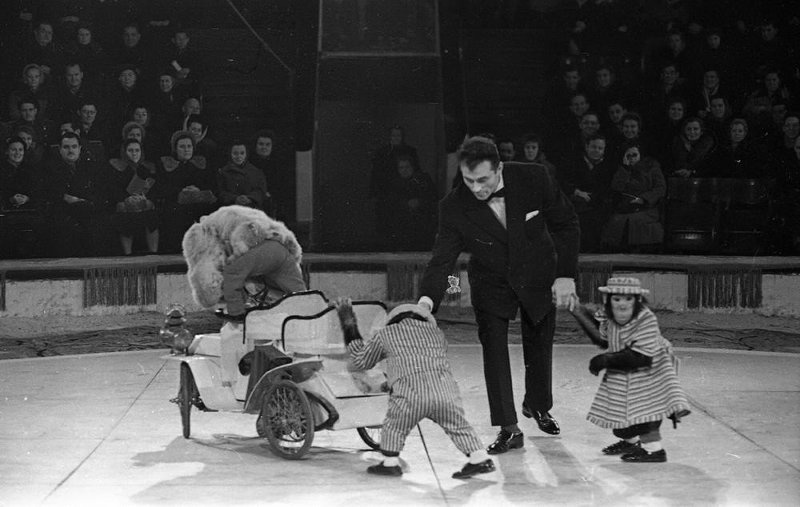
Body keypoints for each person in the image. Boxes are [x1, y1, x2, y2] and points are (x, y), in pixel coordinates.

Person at [417, 136, 580, 454]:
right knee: (494, 350)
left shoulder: (534, 177)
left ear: (499, 167)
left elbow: (567, 223)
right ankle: (509, 428)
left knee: (539, 343)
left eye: (483, 180)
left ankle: (538, 405)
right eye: (468, 179)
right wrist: (425, 302)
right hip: (491, 280)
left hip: (537, 272)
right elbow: (442, 260)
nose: (476, 188)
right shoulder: (453, 207)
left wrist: (565, 276)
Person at [334, 299, 495, 479]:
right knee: (458, 424)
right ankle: (479, 458)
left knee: (394, 425)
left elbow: (360, 360)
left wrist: (349, 323)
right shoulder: (437, 333)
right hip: (445, 390)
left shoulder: (386, 333)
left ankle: (390, 463)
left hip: (411, 394)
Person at [581, 277, 691, 463]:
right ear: (609, 301)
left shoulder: (645, 318)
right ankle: (632, 442)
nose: (622, 305)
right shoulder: (609, 316)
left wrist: (605, 360)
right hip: (625, 370)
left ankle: (654, 451)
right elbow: (603, 340)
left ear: (638, 301)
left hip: (651, 370)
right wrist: (578, 312)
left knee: (645, 412)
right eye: (617, 299)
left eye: (628, 299)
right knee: (620, 418)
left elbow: (640, 357)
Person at [155, 130, 217, 253]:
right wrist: (182, 191)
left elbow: (211, 185)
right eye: (182, 147)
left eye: (189, 146)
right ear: (175, 148)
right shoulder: (166, 165)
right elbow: (162, 187)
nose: (186, 150)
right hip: (175, 203)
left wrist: (198, 190)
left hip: (200, 202)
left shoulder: (201, 164)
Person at [601, 144, 665, 252]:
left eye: (634, 155)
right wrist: (625, 169)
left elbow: (660, 188)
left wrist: (644, 199)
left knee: (636, 221)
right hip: (626, 207)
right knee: (617, 221)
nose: (632, 158)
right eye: (628, 155)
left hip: (647, 207)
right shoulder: (621, 170)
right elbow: (616, 187)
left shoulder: (651, 168)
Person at [559, 133, 614, 252]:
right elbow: (564, 182)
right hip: (578, 200)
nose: (596, 151)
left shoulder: (607, 166)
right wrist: (578, 192)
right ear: (587, 147)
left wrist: (595, 197)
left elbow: (607, 188)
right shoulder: (574, 162)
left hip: (599, 202)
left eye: (600, 148)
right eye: (593, 147)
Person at [105, 138, 159, 255]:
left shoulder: (147, 168)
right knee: (124, 217)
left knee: (152, 215)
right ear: (125, 152)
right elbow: (113, 189)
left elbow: (154, 189)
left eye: (137, 150)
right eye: (130, 150)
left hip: (144, 204)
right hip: (124, 205)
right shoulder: (116, 168)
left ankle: (153, 253)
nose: (134, 153)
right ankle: (127, 254)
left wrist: (147, 200)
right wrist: (126, 200)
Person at [378, 153, 437, 251]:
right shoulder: (393, 184)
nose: (404, 170)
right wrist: (405, 204)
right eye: (401, 168)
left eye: (407, 167)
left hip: (422, 229)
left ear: (413, 167)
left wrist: (420, 202)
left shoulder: (423, 180)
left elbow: (433, 199)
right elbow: (389, 204)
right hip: (401, 230)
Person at [217, 140, 270, 211]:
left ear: (246, 154)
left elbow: (261, 190)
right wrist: (235, 198)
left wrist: (250, 198)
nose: (239, 156)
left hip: (253, 209)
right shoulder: (223, 172)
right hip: (231, 209)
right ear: (230, 154)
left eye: (242, 153)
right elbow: (220, 192)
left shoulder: (256, 171)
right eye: (235, 153)